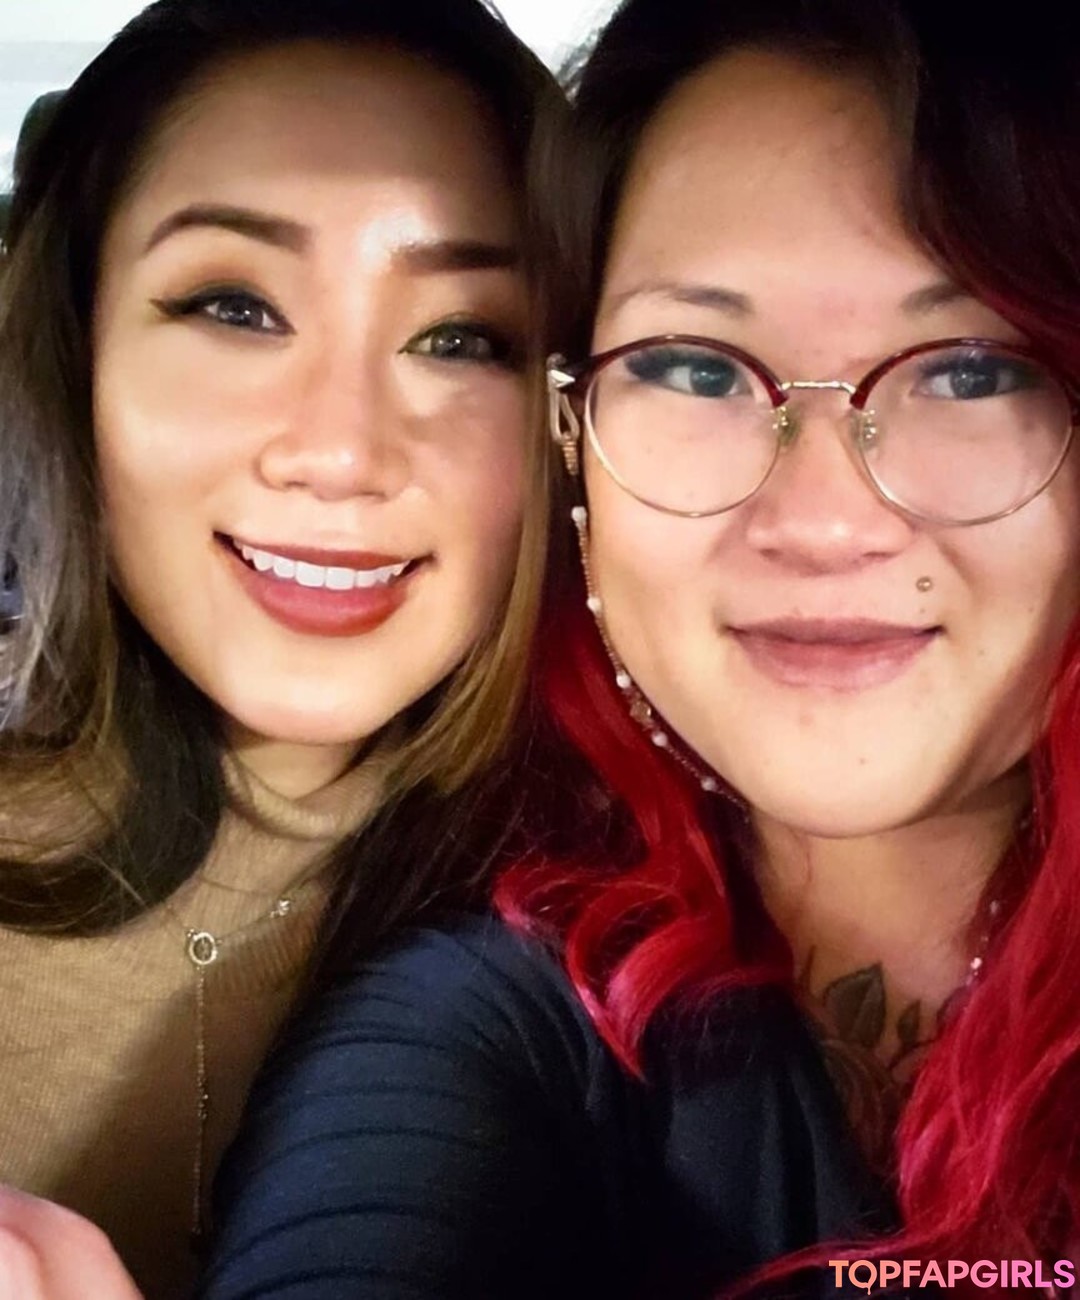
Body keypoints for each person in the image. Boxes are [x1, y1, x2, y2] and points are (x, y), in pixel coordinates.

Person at [131, 0, 1080, 1296]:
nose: (821, 521)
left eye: (971, 371)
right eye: (697, 369)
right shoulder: (487, 1024)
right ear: (573, 443)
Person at [0, 0, 556, 1295]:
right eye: (234, 307)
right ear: (79, 353)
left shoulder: (683, 928)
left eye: (463, 338)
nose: (341, 453)